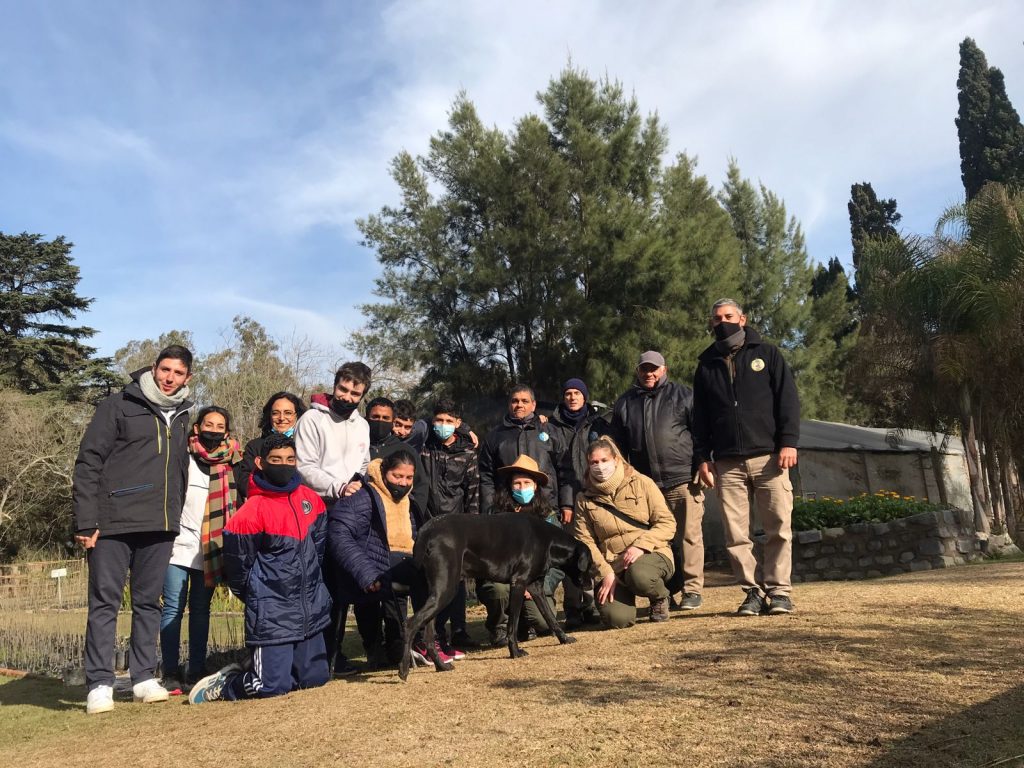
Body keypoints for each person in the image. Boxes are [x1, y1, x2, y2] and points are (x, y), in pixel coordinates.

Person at [73, 345, 195, 714]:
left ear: (188, 378)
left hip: (160, 524)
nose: (169, 378)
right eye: (164, 370)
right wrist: (86, 520)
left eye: (177, 373)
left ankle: (143, 677)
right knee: (104, 604)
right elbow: (89, 461)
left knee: (148, 604)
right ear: (154, 368)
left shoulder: (184, 413)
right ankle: (99, 684)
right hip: (112, 522)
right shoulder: (118, 405)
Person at [188, 434, 331, 703]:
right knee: (272, 687)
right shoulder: (250, 513)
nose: (284, 465)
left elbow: (319, 549)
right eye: (276, 460)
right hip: (272, 610)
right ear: (260, 462)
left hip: (310, 607)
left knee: (315, 680)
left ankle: (262, 666)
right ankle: (229, 683)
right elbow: (239, 569)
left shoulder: (311, 500)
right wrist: (258, 595)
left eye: (290, 460)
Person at [693, 298, 801, 616]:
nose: (722, 322)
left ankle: (779, 591)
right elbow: (699, 418)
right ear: (711, 324)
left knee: (778, 526)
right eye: (716, 318)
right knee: (736, 534)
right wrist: (702, 457)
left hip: (770, 457)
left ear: (743, 319)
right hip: (727, 463)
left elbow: (788, 402)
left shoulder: (767, 354)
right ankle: (752, 592)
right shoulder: (706, 365)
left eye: (728, 316)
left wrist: (789, 443)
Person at [327, 450, 448, 668]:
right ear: (383, 472)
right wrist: (365, 572)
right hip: (368, 565)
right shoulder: (364, 496)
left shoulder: (407, 501)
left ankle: (418, 641)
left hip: (401, 560)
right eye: (397, 476)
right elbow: (338, 533)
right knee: (374, 596)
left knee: (432, 578)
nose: (403, 482)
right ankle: (374, 647)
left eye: (408, 478)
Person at [610, 350, 706, 612]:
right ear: (638, 371)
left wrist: (702, 463)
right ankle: (664, 592)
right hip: (646, 488)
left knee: (689, 537)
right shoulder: (625, 403)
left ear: (664, 370)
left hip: (683, 479)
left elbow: (701, 434)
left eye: (654, 368)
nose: (649, 373)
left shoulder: (684, 396)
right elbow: (617, 448)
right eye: (644, 369)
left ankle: (692, 590)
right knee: (655, 542)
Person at [295, 362, 371, 676]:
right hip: (319, 510)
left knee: (342, 585)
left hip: (350, 511)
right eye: (343, 389)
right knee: (319, 584)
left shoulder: (362, 425)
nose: (348, 397)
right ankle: (314, 657)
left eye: (355, 393)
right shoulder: (312, 419)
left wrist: (357, 484)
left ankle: (334, 655)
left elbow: (364, 463)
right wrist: (336, 487)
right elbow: (304, 466)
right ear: (334, 385)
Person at [160, 406, 243, 692]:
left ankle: (195, 668)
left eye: (220, 426)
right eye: (209, 424)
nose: (214, 430)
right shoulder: (182, 457)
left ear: (226, 432)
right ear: (197, 427)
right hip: (179, 545)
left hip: (210, 547)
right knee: (172, 608)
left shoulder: (230, 462)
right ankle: (169, 670)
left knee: (200, 609)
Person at [573, 437, 677, 628]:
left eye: (604, 460)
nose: (600, 466)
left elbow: (667, 523)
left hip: (652, 553)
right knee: (616, 619)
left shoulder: (642, 482)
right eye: (594, 462)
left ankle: (661, 597)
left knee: (640, 577)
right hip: (613, 564)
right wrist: (606, 572)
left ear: (616, 460)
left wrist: (641, 545)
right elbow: (584, 541)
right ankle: (625, 602)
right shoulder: (583, 498)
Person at [476, 455, 563, 646]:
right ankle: (499, 627)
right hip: (500, 578)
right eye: (517, 483)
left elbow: (558, 560)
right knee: (499, 591)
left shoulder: (547, 516)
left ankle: (525, 625)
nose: (521, 487)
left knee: (542, 623)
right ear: (509, 485)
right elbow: (484, 552)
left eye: (526, 483)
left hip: (534, 584)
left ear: (536, 486)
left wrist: (543, 585)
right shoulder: (494, 514)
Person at [420, 397, 480, 650]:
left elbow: (473, 492)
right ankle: (433, 635)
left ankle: (459, 631)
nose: (442, 425)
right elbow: (414, 427)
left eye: (448, 421)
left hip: (458, 528)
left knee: (456, 580)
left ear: (457, 422)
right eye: (438, 420)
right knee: (433, 582)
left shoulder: (467, 453)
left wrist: (474, 528)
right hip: (429, 524)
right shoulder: (424, 448)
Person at [546, 378, 606, 629]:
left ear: (585, 397)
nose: (572, 397)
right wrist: (566, 504)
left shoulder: (598, 423)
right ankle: (572, 608)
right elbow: (557, 470)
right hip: (568, 500)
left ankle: (592, 604)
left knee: (596, 551)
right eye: (568, 393)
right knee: (572, 555)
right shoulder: (551, 427)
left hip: (596, 496)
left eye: (577, 393)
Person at [478, 384, 570, 514]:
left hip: (546, 508)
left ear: (533, 405)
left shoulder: (551, 432)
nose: (519, 405)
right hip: (506, 511)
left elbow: (565, 470)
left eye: (524, 401)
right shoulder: (494, 437)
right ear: (509, 404)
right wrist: (488, 510)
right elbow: (486, 477)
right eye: (515, 401)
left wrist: (567, 504)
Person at [235, 392, 306, 503]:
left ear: (297, 416)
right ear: (269, 416)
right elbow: (244, 481)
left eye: (288, 413)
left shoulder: (305, 445)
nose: (281, 418)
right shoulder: (254, 446)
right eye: (275, 413)